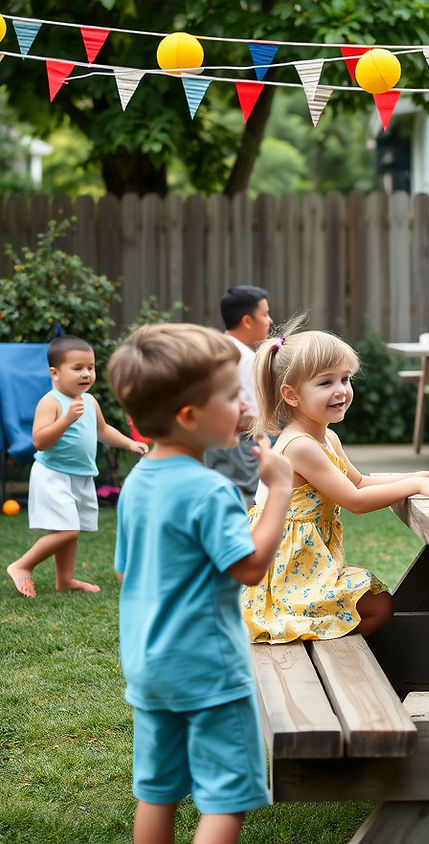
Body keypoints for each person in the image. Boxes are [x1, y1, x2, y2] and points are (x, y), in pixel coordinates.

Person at [107, 323, 293, 844]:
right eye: (231, 395)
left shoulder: (136, 483)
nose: (243, 402)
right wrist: (277, 490)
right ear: (189, 416)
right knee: (224, 799)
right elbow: (251, 568)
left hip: (150, 665)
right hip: (208, 670)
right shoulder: (211, 491)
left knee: (158, 791)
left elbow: (126, 571)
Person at [240, 321, 429, 643]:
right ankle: (337, 657)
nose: (341, 390)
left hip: (306, 562)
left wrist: (414, 477)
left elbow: (357, 481)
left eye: (345, 379)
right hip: (287, 571)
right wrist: (414, 488)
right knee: (378, 606)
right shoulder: (299, 445)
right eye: (325, 382)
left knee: (376, 604)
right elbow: (355, 501)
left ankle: (340, 652)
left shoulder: (326, 437)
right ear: (290, 395)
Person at [6, 335, 148, 599]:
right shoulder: (52, 401)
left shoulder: (90, 400)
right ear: (55, 372)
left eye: (90, 367)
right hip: (53, 475)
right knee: (67, 530)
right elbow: (39, 441)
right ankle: (22, 565)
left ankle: (65, 579)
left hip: (81, 475)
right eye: (78, 368)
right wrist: (66, 419)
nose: (86, 374)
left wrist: (130, 444)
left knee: (71, 531)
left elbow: (102, 430)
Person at [203, 284, 273, 507]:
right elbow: (249, 412)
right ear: (247, 320)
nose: (270, 320)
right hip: (240, 443)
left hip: (214, 440)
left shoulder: (218, 348)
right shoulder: (242, 356)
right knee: (243, 497)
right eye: (265, 314)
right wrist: (262, 441)